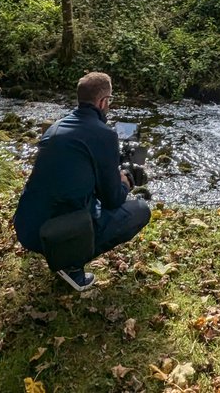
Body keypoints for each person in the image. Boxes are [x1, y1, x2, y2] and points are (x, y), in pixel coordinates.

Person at [13, 71, 151, 291]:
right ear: (103, 101)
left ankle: (64, 252)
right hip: (57, 234)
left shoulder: (55, 128)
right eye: (110, 101)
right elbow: (113, 200)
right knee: (141, 209)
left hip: (27, 227)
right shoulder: (104, 135)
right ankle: (71, 265)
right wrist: (126, 181)